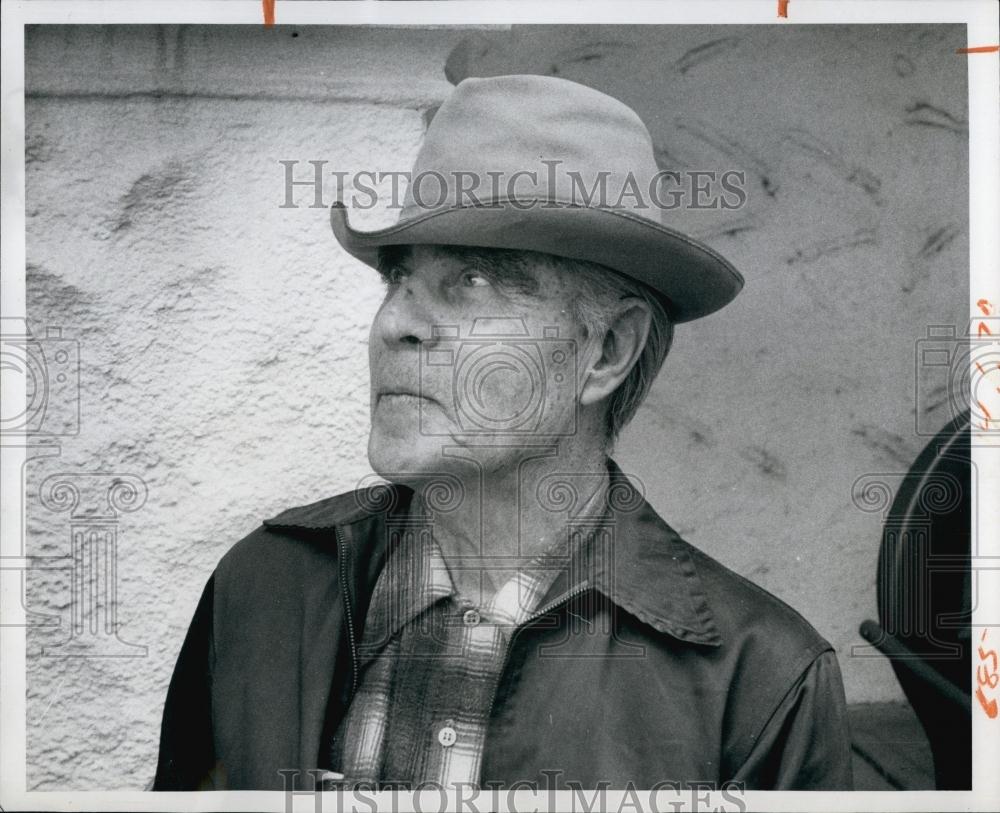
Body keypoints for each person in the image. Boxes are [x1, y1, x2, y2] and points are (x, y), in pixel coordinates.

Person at [154, 74, 853, 792]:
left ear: (607, 351)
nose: (396, 323)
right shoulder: (263, 586)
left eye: (474, 281)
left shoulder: (760, 683)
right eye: (398, 276)